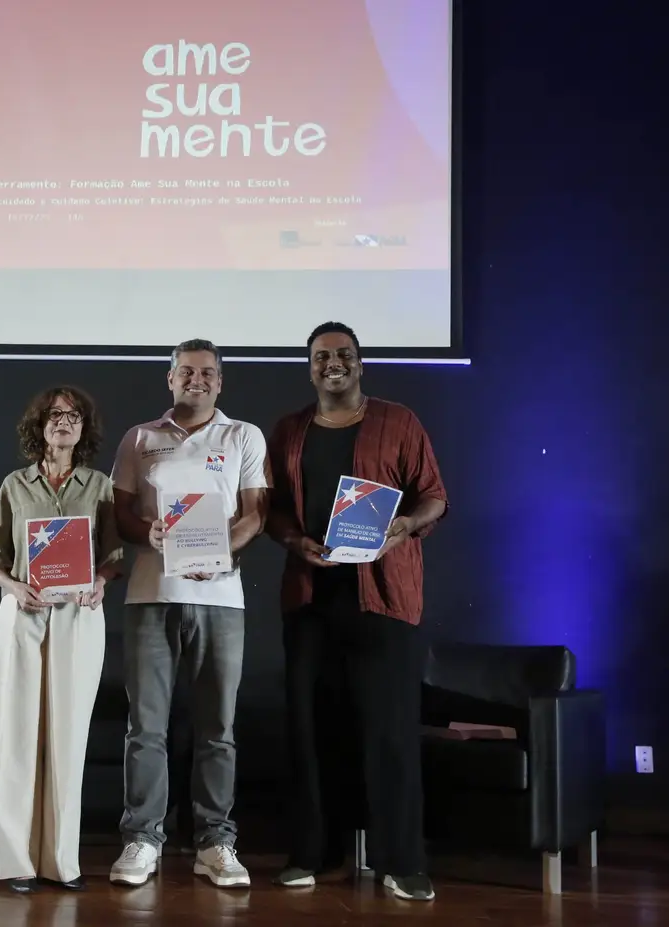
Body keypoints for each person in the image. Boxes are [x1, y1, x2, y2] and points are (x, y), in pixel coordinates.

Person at [265, 322, 449, 902]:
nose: (333, 364)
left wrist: (406, 525)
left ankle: (402, 861)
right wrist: (294, 541)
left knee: (389, 732)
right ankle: (315, 855)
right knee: (312, 731)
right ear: (310, 368)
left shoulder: (398, 421)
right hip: (310, 598)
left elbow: (434, 495)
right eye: (322, 357)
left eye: (343, 354)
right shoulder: (289, 430)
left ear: (360, 364)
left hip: (383, 597)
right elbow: (271, 509)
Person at [108, 339, 270, 889]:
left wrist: (220, 553)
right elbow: (121, 514)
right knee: (145, 727)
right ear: (170, 378)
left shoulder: (243, 435)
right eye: (186, 371)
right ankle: (141, 839)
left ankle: (215, 842)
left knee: (217, 728)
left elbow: (255, 513)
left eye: (207, 373)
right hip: (150, 595)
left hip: (221, 599)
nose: (196, 380)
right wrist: (148, 534)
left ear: (220, 382)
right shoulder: (140, 438)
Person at [0, 385, 123, 893]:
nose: (64, 422)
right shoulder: (15, 485)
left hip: (79, 616)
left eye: (73, 416)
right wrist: (14, 587)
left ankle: (60, 861)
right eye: (55, 415)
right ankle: (13, 860)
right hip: (24, 614)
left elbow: (113, 556)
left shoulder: (99, 485)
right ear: (39, 425)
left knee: (67, 736)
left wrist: (100, 582)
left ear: (84, 428)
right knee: (16, 733)